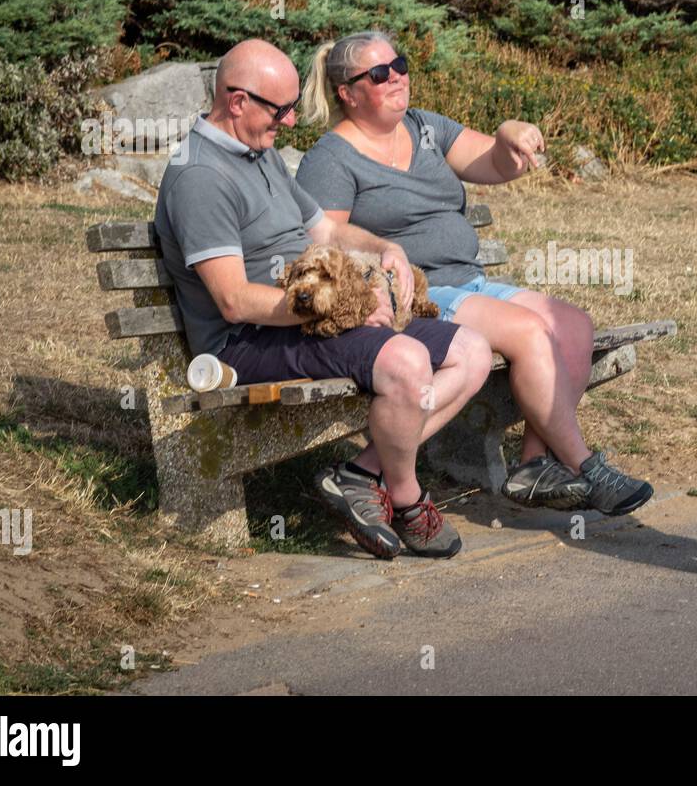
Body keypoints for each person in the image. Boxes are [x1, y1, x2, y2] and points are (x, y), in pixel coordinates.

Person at [154, 39, 494, 560]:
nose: (289, 123)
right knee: (405, 362)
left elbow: (326, 233)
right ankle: (405, 496)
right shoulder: (202, 177)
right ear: (237, 101)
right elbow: (233, 301)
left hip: (309, 320)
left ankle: (359, 475)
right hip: (248, 341)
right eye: (280, 110)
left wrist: (386, 249)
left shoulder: (258, 153)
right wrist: (345, 308)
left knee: (469, 351)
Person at [294, 30, 653, 517]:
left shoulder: (423, 128)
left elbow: (496, 164)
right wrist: (383, 250)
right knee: (529, 332)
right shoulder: (331, 158)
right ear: (348, 93)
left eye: (399, 64)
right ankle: (587, 467)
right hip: (415, 295)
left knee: (573, 326)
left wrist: (508, 134)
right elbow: (325, 238)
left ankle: (534, 466)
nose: (398, 76)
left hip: (468, 281)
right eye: (380, 74)